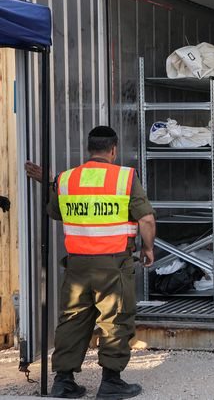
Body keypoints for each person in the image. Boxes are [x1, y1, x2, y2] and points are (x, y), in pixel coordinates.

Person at [25, 126, 156, 399]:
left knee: (73, 319)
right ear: (113, 149)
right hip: (113, 264)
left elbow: (56, 212)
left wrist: (50, 181)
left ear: (88, 150)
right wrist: (148, 248)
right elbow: (145, 219)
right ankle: (111, 382)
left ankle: (63, 381)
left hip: (77, 265)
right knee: (115, 319)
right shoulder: (125, 177)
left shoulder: (66, 179)